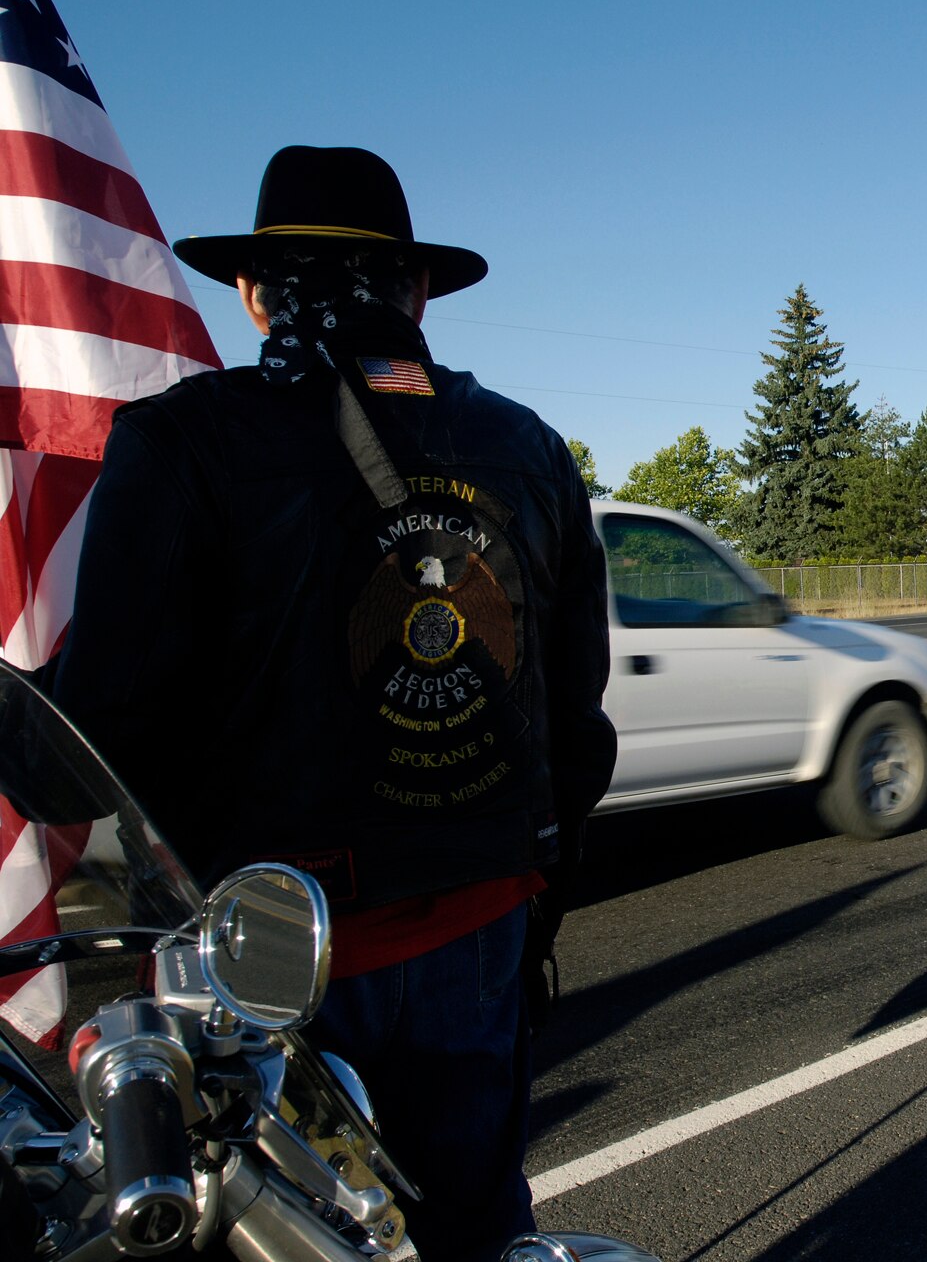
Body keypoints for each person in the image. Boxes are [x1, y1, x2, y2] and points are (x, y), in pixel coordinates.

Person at [53, 146, 617, 1259]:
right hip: (479, 927)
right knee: (473, 1221)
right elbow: (576, 727)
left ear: (256, 291)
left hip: (264, 964)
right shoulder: (530, 449)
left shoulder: (182, 442)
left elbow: (104, 731)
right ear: (412, 292)